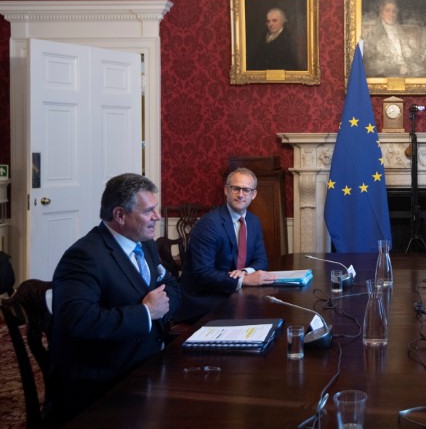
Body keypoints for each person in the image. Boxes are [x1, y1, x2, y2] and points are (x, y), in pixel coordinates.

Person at [49, 173, 181, 425]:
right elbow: (77, 320)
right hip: (106, 380)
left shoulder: (147, 244)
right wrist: (145, 313)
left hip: (150, 361)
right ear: (120, 215)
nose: (157, 217)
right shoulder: (84, 256)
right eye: (149, 211)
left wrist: (160, 309)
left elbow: (171, 286)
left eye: (157, 209)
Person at [177, 167, 275, 322]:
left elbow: (261, 260)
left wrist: (244, 272)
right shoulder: (209, 224)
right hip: (206, 300)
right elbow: (203, 273)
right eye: (236, 188)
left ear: (253, 194)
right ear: (226, 190)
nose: (241, 194)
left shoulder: (253, 221)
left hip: (232, 293)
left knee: (271, 310)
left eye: (246, 190)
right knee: (259, 313)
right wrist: (244, 280)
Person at [362, 0, 426, 78]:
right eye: (387, 11)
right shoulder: (374, 33)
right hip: (388, 73)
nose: (391, 14)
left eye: (394, 11)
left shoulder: (399, 30)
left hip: (408, 68)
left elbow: (407, 51)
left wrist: (422, 54)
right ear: (381, 13)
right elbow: (370, 62)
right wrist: (396, 68)